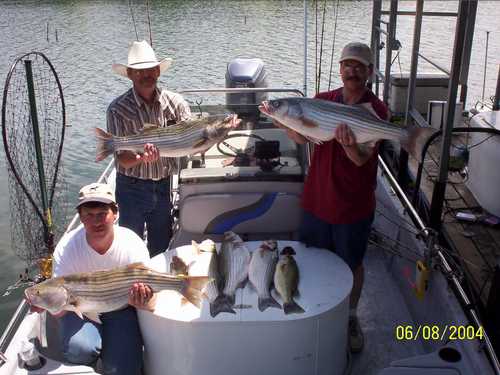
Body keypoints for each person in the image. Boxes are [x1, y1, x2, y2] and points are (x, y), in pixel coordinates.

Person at [279, 42, 388, 353]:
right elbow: (304, 136)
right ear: (340, 69)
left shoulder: (376, 111)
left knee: (352, 263)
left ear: (369, 72)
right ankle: (314, 306)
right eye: (347, 65)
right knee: (313, 257)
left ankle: (350, 316)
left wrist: (349, 145)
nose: (352, 71)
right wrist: (287, 123)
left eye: (359, 66)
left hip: (353, 205)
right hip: (317, 198)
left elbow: (359, 159)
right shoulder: (320, 101)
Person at [30, 183, 154, 375]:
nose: (96, 221)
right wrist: (45, 303)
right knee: (79, 349)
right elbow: (61, 309)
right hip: (79, 312)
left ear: (115, 214)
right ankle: (92, 359)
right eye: (89, 214)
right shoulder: (66, 249)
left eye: (102, 213)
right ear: (80, 217)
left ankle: (112, 353)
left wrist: (143, 300)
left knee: (124, 369)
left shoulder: (132, 244)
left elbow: (147, 298)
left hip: (121, 307)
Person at [107, 40, 192, 257]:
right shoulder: (117, 109)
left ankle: (157, 288)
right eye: (139, 71)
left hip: (163, 187)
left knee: (161, 247)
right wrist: (140, 158)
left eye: (150, 70)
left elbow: (190, 139)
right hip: (131, 189)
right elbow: (123, 160)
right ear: (130, 75)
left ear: (158, 71)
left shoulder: (176, 103)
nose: (146, 75)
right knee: (130, 246)